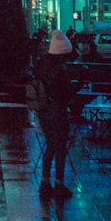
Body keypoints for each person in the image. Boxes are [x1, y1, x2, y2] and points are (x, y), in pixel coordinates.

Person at [33, 30, 83, 199]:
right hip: (57, 110)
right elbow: (65, 92)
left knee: (50, 145)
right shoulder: (59, 70)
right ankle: (59, 183)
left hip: (43, 109)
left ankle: (44, 182)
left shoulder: (42, 64)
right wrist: (80, 85)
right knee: (60, 146)